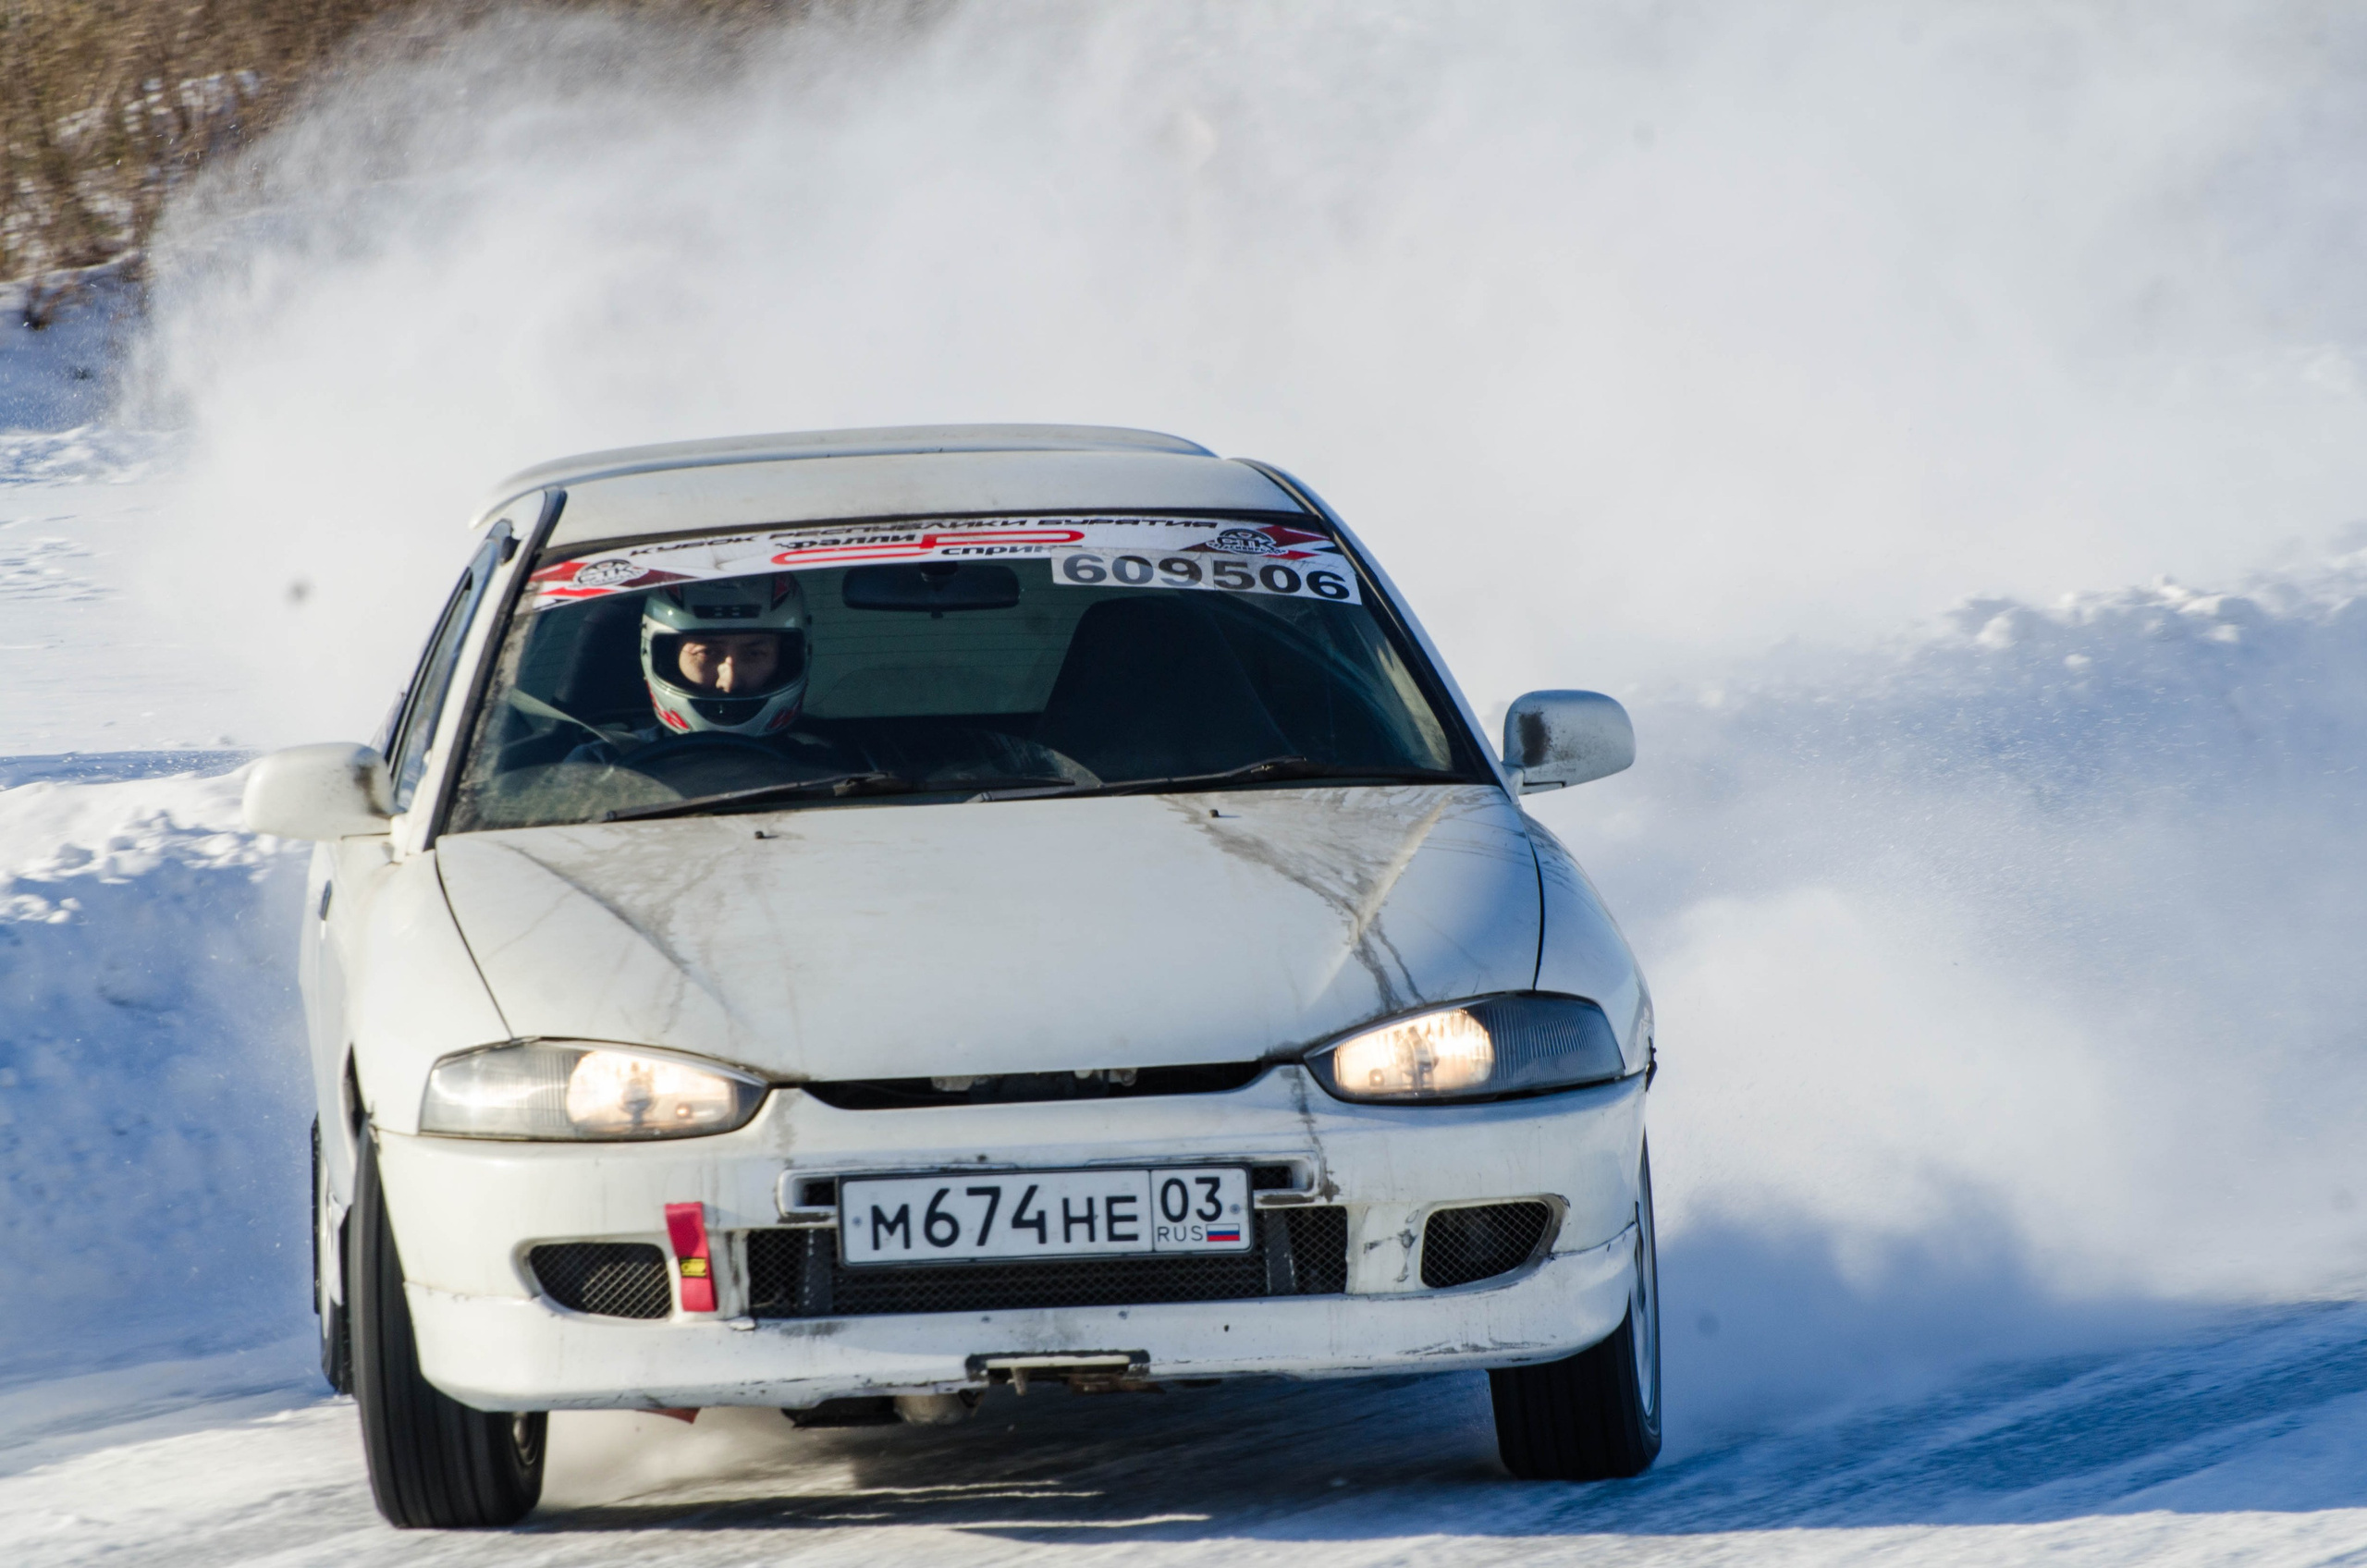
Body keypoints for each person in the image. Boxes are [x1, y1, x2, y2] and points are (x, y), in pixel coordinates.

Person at [568, 573, 862, 777]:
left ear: (785, 660)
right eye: (706, 653)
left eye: (754, 654)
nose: (729, 681)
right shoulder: (599, 768)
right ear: (664, 658)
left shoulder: (828, 772)